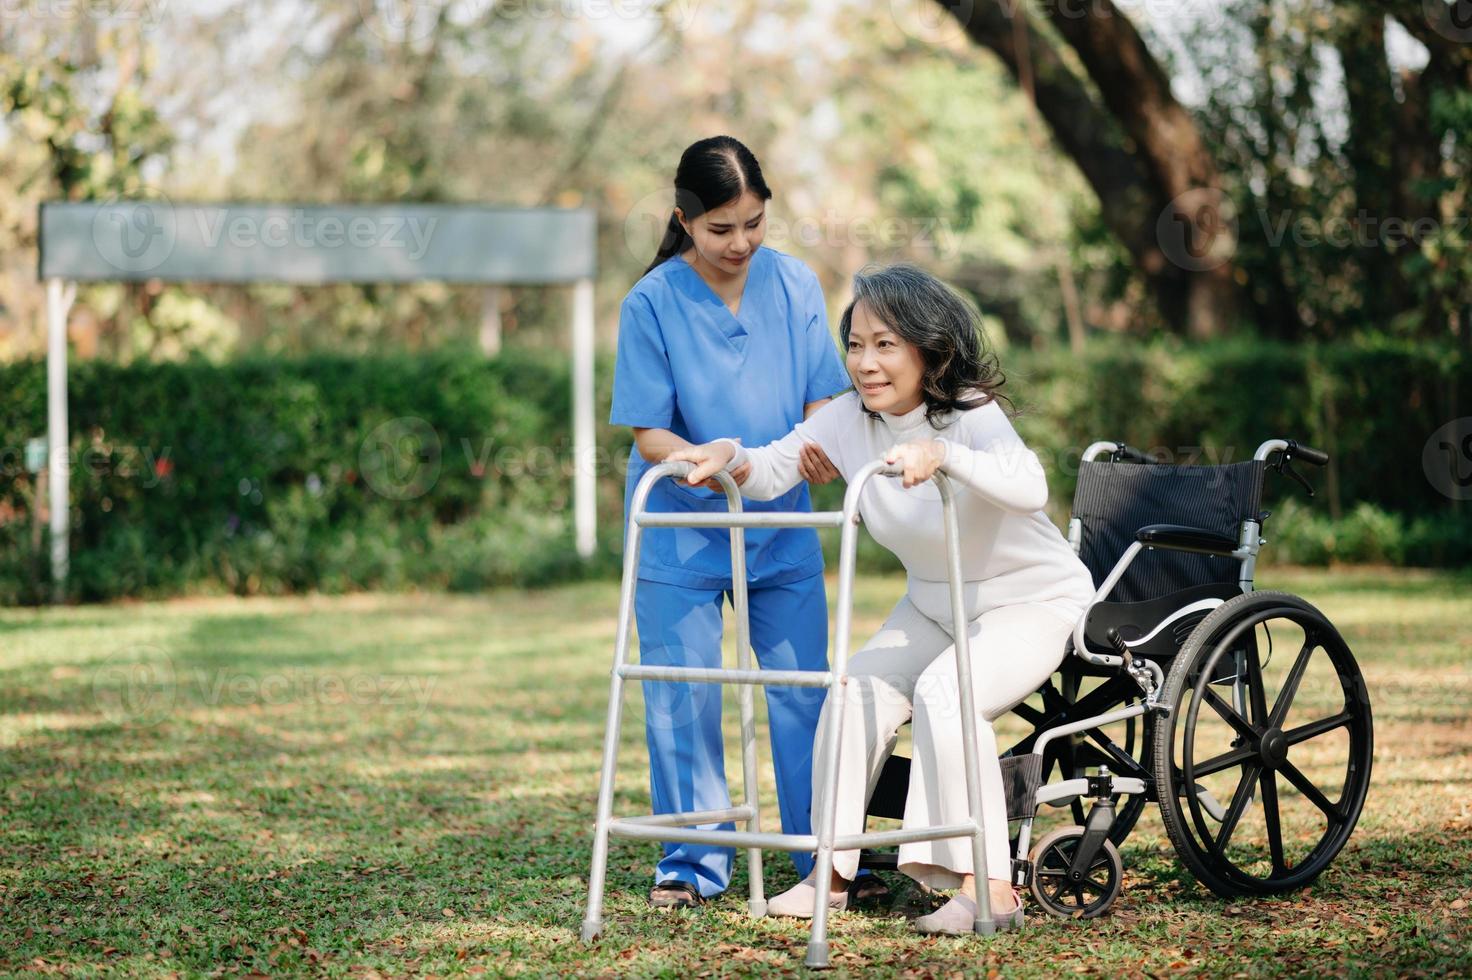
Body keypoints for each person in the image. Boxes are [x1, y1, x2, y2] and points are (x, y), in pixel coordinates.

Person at [669, 264, 1095, 933]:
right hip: (934, 602)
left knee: (944, 693)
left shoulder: (970, 414)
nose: (866, 363)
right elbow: (774, 467)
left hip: (1031, 601)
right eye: (857, 344)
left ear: (929, 349)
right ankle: (829, 876)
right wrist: (727, 455)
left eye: (886, 344)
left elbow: (1030, 486)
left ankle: (992, 889)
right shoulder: (848, 418)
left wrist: (945, 456)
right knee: (854, 689)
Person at [609, 135, 861, 909]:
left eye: (754, 223)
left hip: (783, 523)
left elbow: (825, 397)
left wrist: (814, 445)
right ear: (684, 220)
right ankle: (690, 863)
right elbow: (650, 431)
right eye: (721, 228)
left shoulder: (793, 285)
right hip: (681, 527)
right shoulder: (650, 302)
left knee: (802, 688)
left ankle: (820, 855)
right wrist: (711, 465)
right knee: (682, 692)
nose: (741, 242)